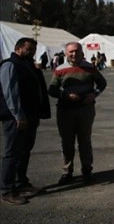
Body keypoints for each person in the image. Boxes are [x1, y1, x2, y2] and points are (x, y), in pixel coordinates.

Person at [47, 42, 107, 185]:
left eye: (76, 51)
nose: (74, 54)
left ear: (81, 52)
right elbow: (52, 89)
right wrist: (65, 95)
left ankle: (87, 171)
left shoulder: (90, 67)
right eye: (71, 52)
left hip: (85, 110)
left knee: (84, 141)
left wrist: (94, 94)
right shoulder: (60, 69)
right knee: (66, 142)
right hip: (65, 111)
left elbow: (102, 83)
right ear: (66, 53)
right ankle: (67, 172)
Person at [0, 38, 51, 205]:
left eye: (34, 50)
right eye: (29, 49)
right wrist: (18, 116)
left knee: (25, 150)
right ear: (18, 48)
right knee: (12, 153)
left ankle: (21, 182)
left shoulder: (28, 65)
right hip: (16, 118)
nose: (32, 53)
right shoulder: (10, 65)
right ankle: (7, 189)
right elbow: (10, 93)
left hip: (30, 116)